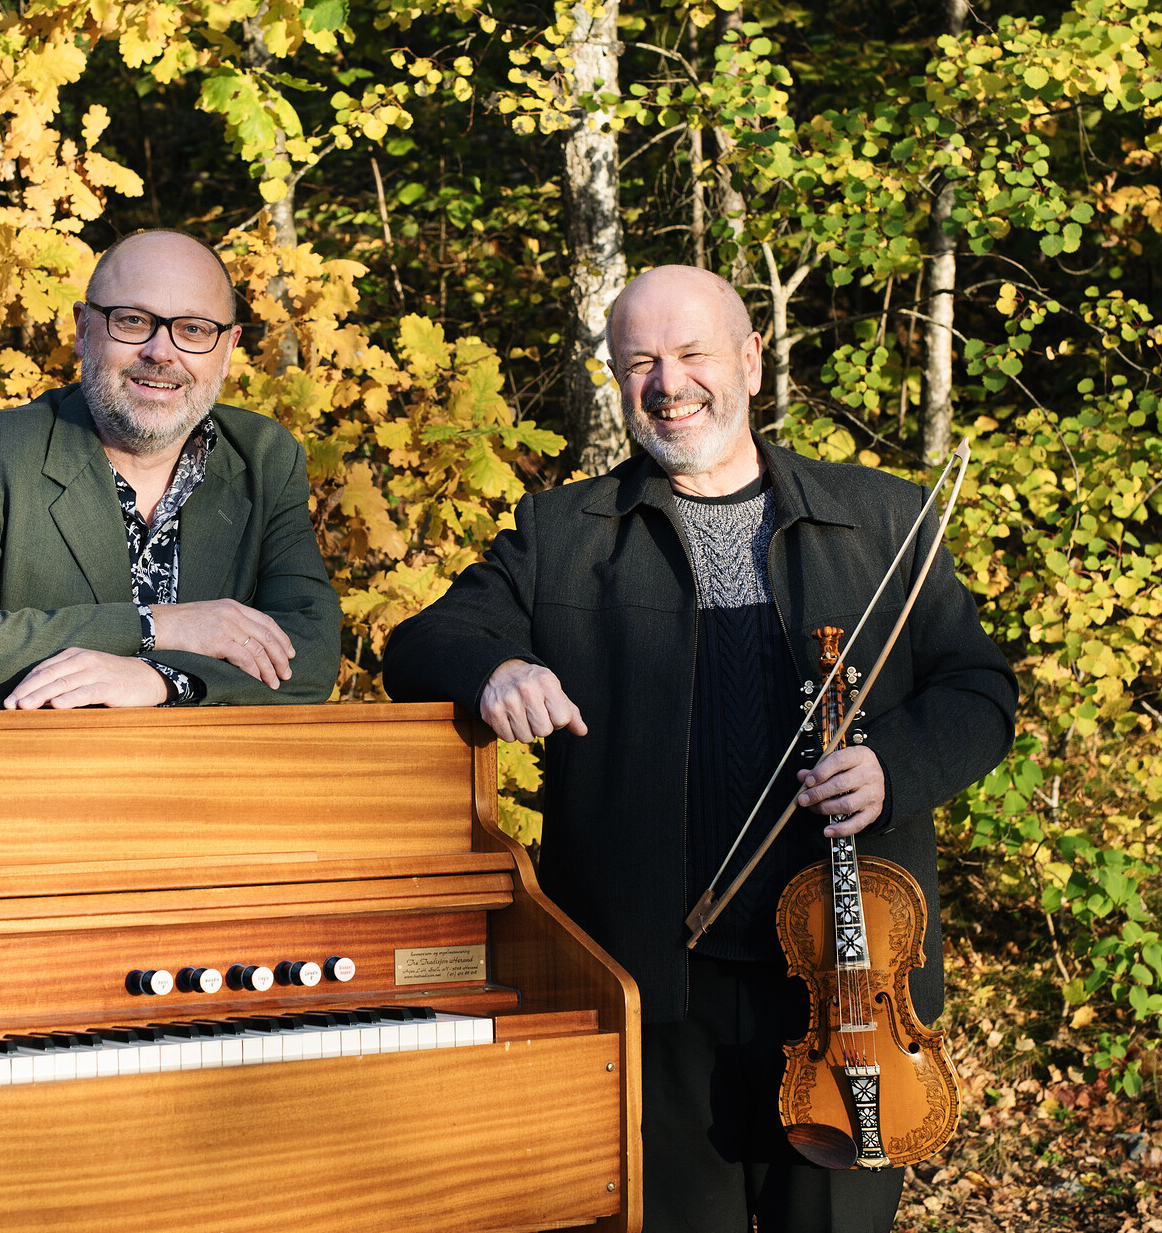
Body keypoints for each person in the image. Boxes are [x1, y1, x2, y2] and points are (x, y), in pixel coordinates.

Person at [382, 265, 1016, 1232]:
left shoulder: (883, 520)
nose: (668, 385)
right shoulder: (564, 533)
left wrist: (897, 764)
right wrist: (495, 670)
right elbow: (422, 641)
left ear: (752, 361)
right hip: (655, 988)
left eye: (691, 355)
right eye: (639, 362)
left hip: (850, 992)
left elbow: (981, 691)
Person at [0, 229, 341, 710]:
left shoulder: (265, 457)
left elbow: (310, 654)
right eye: (132, 320)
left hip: (208, 778)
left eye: (193, 330)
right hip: (40, 776)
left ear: (227, 350)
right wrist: (157, 626)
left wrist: (162, 679)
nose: (161, 352)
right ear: (83, 329)